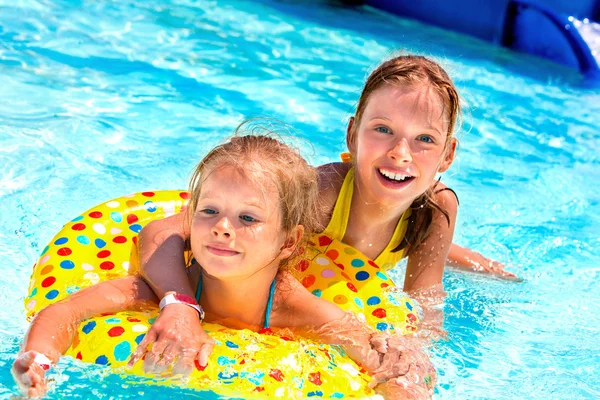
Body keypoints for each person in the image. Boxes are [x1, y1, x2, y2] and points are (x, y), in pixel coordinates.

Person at [132, 55, 517, 373]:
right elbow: (158, 234)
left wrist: (408, 354)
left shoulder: (436, 209)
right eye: (383, 129)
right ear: (352, 134)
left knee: (482, 269)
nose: (401, 153)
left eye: (425, 140)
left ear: (447, 155)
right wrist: (180, 304)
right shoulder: (324, 195)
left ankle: (462, 254)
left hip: (366, 273)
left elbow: (426, 303)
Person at [12, 133, 434, 399]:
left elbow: (379, 356)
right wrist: (39, 364)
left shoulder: (292, 307)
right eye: (209, 211)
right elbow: (66, 311)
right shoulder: (159, 287)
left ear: (288, 242)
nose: (223, 229)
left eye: (248, 218)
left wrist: (401, 378)